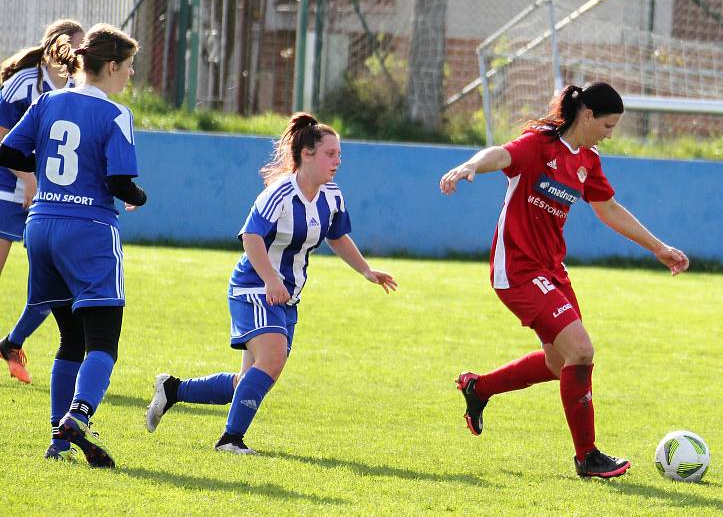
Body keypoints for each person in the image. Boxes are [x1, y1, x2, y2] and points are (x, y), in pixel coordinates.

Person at [439, 82, 689, 479]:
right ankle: (587, 457)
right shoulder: (539, 144)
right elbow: (502, 154)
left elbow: (608, 208)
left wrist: (657, 247)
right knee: (582, 351)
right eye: (607, 126)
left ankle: (478, 388)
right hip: (518, 269)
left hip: (552, 270)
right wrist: (471, 165)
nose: (610, 135)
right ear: (586, 115)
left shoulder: (587, 160)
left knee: (561, 364)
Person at [145, 112, 397, 454]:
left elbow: (337, 238)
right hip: (254, 289)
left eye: (339, 154)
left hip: (285, 297)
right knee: (272, 359)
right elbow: (250, 236)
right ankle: (230, 441)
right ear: (307, 154)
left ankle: (174, 390)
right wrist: (270, 279)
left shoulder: (332, 196)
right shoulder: (280, 193)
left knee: (248, 381)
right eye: (330, 153)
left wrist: (366, 270)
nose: (338, 160)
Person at [0, 23, 145, 467]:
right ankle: (78, 416)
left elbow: (7, 152)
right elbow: (121, 182)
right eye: (130, 66)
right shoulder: (114, 114)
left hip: (41, 225)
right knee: (103, 340)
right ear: (113, 65)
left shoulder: (47, 101)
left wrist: (40, 165)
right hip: (89, 230)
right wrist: (140, 197)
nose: (131, 74)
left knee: (69, 337)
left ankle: (58, 442)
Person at [0, 19, 85, 384]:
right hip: (7, 191)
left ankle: (12, 342)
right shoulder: (24, 82)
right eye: (76, 46)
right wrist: (28, 180)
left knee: (54, 282)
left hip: (47, 201)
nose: (80, 54)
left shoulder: (77, 89)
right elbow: (3, 137)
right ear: (57, 46)